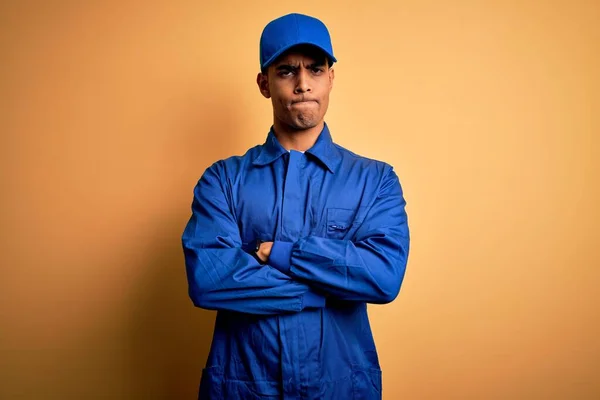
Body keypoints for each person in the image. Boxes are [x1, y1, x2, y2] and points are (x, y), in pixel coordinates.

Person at [182, 12, 410, 400]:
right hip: (246, 386)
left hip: (340, 387)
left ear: (331, 78)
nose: (303, 84)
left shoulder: (375, 181)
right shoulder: (223, 180)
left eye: (316, 70)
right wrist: (329, 286)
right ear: (264, 83)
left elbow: (384, 276)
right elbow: (208, 280)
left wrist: (279, 254)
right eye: (287, 71)